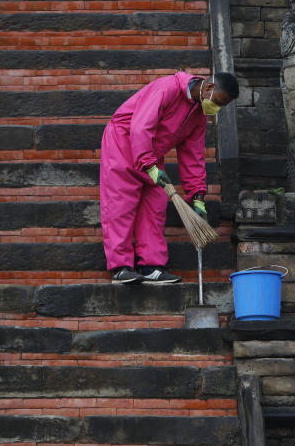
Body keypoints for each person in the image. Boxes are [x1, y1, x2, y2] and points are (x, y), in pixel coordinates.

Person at [99, 71, 239, 285]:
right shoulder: (166, 88)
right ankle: (121, 267)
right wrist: (148, 165)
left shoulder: (198, 116)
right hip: (124, 141)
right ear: (209, 88)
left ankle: (151, 266)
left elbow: (193, 155)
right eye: (218, 102)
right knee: (120, 204)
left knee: (155, 206)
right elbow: (141, 126)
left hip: (152, 153)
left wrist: (197, 195)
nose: (216, 108)